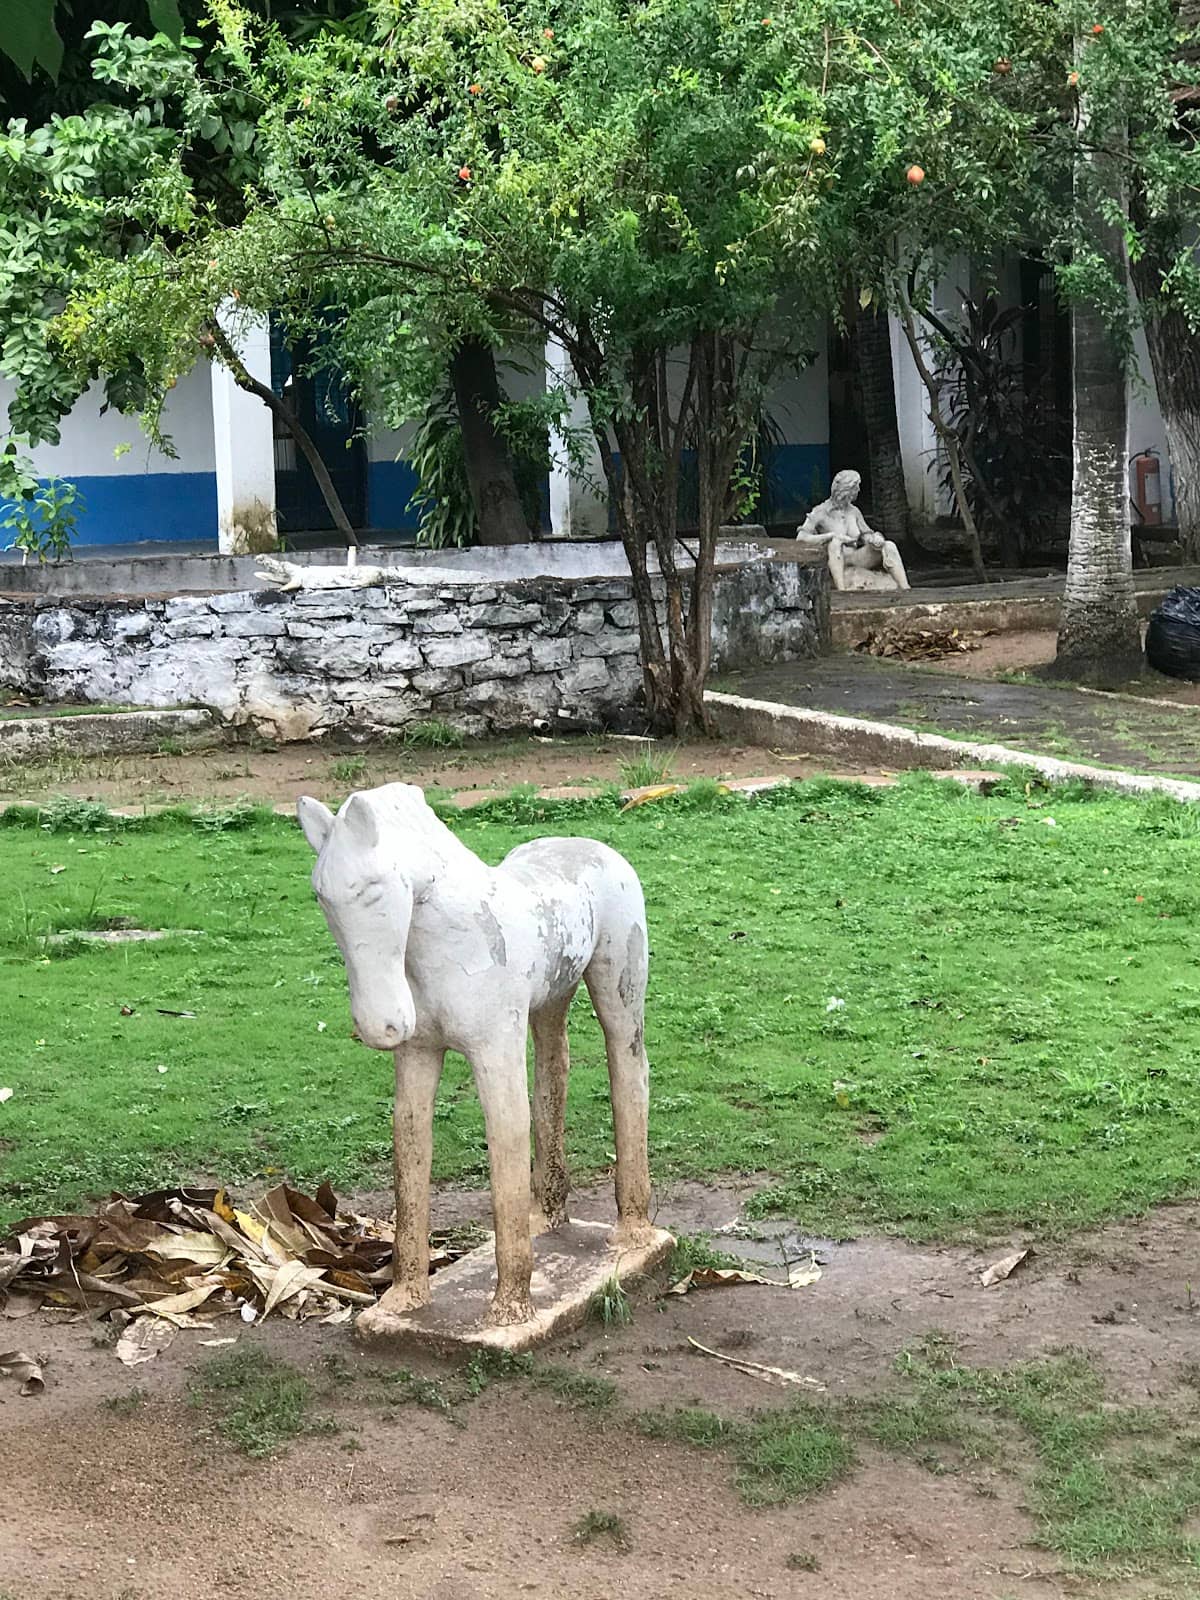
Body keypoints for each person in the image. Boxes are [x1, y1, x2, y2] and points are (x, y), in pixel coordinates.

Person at [795, 468, 910, 591]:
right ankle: (842, 590)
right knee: (835, 543)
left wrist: (874, 539)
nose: (859, 490)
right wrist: (831, 536)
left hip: (855, 558)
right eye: (856, 487)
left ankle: (906, 588)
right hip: (834, 559)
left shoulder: (854, 512)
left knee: (889, 545)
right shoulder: (820, 512)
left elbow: (866, 534)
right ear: (847, 490)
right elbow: (801, 538)